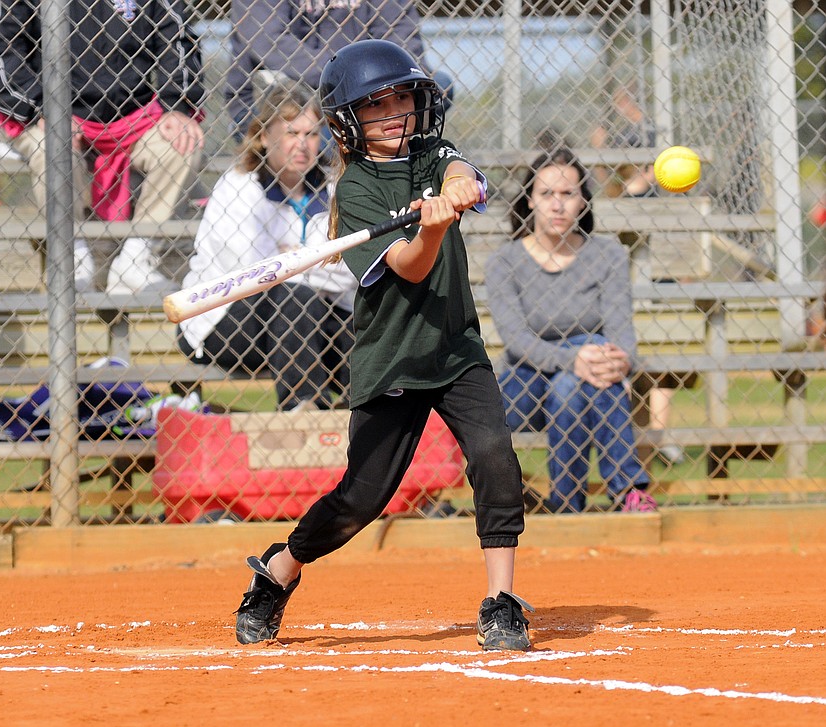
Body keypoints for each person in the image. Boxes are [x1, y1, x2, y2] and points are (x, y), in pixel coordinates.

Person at [233, 40, 532, 653]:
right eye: (377, 106)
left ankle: (502, 601)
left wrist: (456, 189)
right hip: (393, 356)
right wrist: (431, 229)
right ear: (348, 120)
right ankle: (279, 570)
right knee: (361, 498)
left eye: (403, 100)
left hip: (455, 348)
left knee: (496, 457)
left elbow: (462, 171)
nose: (395, 114)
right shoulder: (358, 193)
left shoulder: (429, 154)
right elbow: (413, 268)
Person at [0, 0, 205, 293]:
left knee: (182, 143)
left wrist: (177, 105)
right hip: (45, 113)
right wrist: (42, 108)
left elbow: (178, 39)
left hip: (135, 116)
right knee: (52, 149)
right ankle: (72, 256)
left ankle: (136, 257)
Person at [485, 146, 656, 515]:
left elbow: (622, 332)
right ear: (530, 201)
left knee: (573, 379)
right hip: (524, 385)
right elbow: (517, 342)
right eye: (546, 194)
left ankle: (567, 503)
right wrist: (573, 358)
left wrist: (620, 362)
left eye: (567, 194)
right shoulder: (505, 261)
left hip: (586, 379)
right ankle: (626, 487)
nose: (557, 205)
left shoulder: (608, 254)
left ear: (583, 202)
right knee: (584, 358)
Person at [178, 80, 356, 411]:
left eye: (312, 133)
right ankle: (304, 408)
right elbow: (255, 273)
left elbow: (349, 272)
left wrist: (291, 259)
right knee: (293, 295)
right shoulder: (239, 187)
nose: (303, 144)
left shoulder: (330, 189)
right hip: (227, 323)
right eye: (291, 133)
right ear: (263, 136)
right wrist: (315, 262)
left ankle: (363, 419)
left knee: (358, 324)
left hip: (310, 319)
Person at [590, 85, 685, 465]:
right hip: (638, 304)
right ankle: (654, 437)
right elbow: (621, 174)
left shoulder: (611, 199)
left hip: (643, 298)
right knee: (655, 350)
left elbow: (614, 171)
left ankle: (653, 437)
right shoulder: (626, 197)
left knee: (659, 350)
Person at [225, 0, 430, 139]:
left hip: (363, 99)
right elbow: (270, 42)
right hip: (283, 101)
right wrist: (346, 77)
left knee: (438, 86)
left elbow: (401, 37)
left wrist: (367, 81)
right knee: (313, 135)